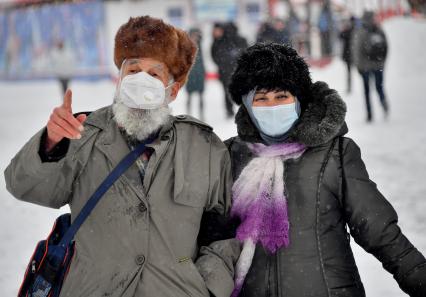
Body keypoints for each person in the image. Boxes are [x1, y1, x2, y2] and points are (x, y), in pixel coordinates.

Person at [4, 16, 237, 297]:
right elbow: (24, 186)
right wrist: (51, 143)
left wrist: (209, 288)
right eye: (133, 70)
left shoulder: (205, 147)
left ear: (172, 90)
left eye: (153, 74)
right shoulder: (83, 132)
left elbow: (221, 234)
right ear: (120, 78)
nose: (141, 80)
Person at [224, 43, 426, 297]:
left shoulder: (336, 153)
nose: (272, 106)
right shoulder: (229, 156)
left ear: (298, 100)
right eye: (261, 98)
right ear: (247, 106)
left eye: (281, 96)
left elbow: (380, 232)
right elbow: (209, 238)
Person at [353, 11, 389, 122]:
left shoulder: (361, 32)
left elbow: (357, 51)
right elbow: (386, 47)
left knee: (367, 91)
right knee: (379, 87)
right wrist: (382, 62)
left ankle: (369, 114)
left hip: (365, 67)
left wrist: (358, 66)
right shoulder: (379, 30)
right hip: (378, 65)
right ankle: (383, 103)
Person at [211, 22, 248, 118]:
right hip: (234, 71)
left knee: (230, 92)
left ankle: (231, 110)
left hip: (229, 71)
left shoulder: (222, 41)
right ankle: (236, 109)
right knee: (238, 91)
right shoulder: (221, 41)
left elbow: (215, 55)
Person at [186, 27, 206, 121]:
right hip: (190, 74)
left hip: (200, 73)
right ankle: (188, 114)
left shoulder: (200, 46)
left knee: (201, 95)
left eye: (196, 35)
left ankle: (201, 115)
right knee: (189, 96)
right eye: (193, 35)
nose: (195, 37)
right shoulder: (187, 47)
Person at [339, 16, 356, 93]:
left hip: (350, 55)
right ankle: (349, 86)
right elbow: (340, 36)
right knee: (349, 71)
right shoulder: (354, 31)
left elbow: (340, 36)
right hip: (351, 55)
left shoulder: (349, 31)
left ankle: (349, 86)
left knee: (349, 72)